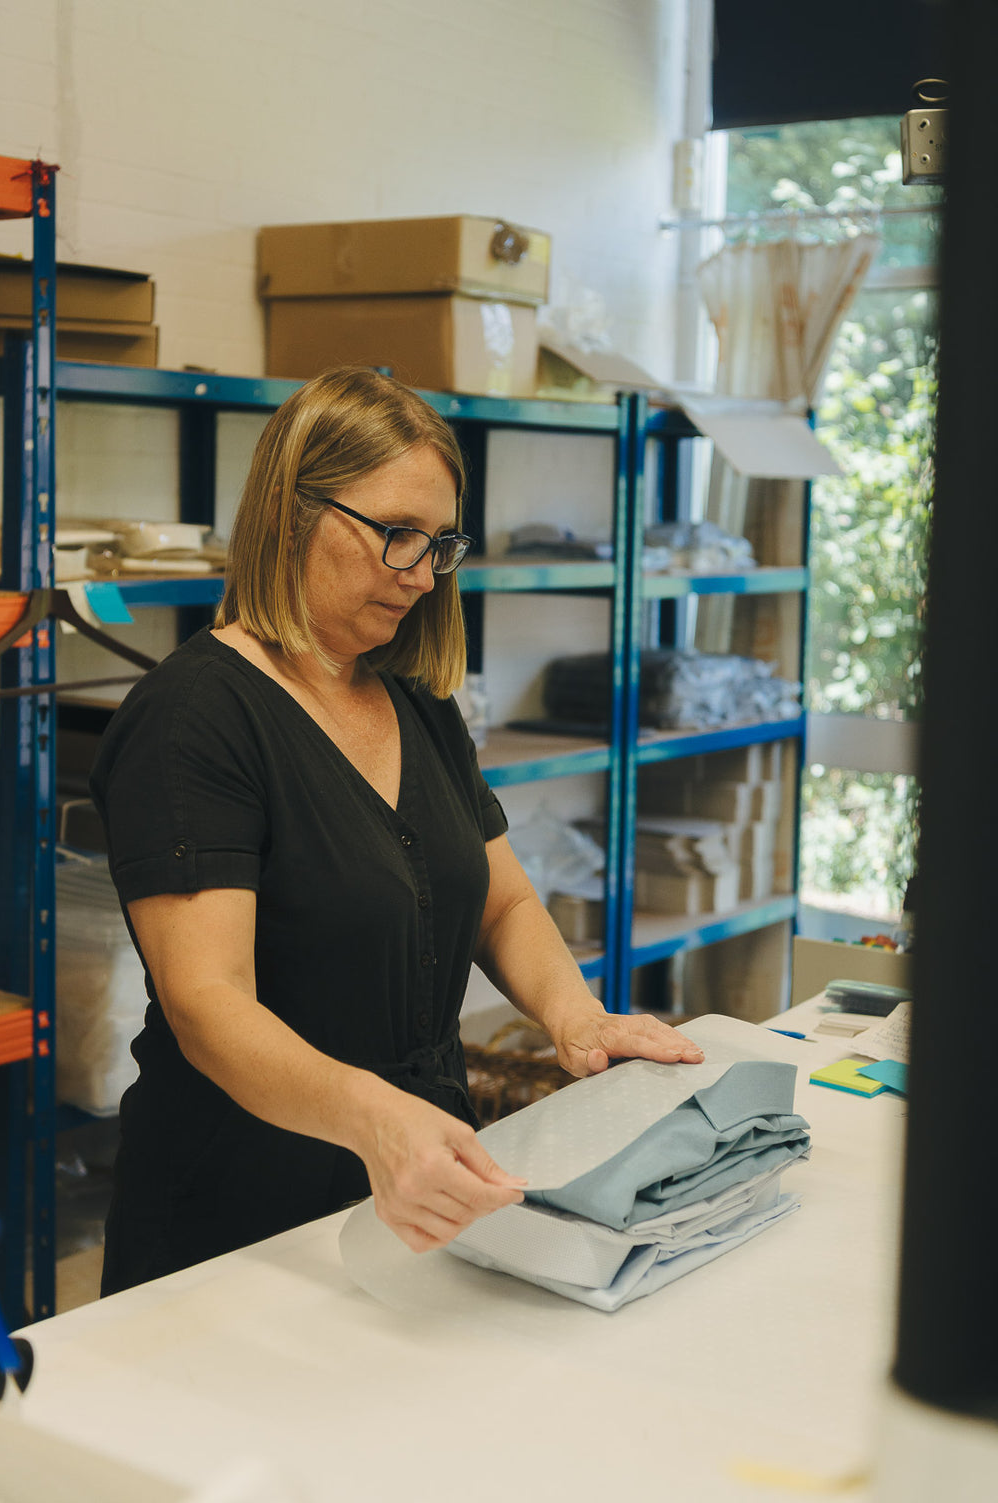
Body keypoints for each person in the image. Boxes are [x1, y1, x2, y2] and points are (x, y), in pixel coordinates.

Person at [91, 365, 704, 1297]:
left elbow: (502, 900)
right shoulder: (194, 718)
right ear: (293, 511)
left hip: (417, 1186)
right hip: (238, 1218)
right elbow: (208, 1007)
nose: (420, 574)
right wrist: (375, 1115)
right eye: (395, 535)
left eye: (438, 542)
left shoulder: (413, 702)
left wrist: (580, 1020)